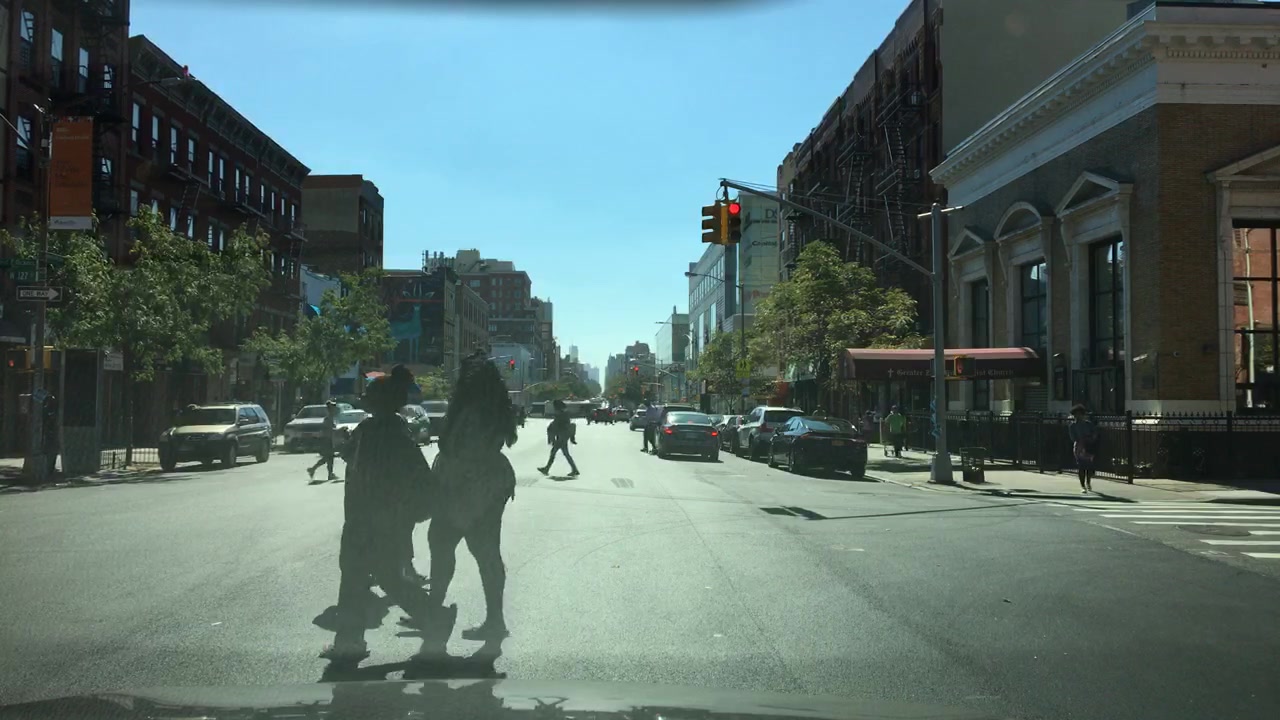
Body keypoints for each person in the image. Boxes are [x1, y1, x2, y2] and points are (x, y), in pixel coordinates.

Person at [321, 365, 450, 665]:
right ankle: (433, 618)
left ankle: (350, 642)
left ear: (380, 401)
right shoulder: (393, 429)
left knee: (359, 577)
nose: (364, 399)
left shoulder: (375, 429)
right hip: (383, 517)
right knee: (382, 577)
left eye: (370, 395)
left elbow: (351, 457)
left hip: (369, 517)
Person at [418, 351, 519, 642]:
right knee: (485, 551)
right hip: (491, 480)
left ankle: (435, 611)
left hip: (463, 482)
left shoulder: (469, 408)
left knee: (443, 542)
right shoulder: (495, 407)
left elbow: (452, 445)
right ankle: (494, 620)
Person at [539, 399, 579, 477]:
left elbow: (557, 424)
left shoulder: (561, 414)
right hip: (563, 436)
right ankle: (574, 469)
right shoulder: (564, 413)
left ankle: (547, 469)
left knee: (555, 452)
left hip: (561, 436)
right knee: (564, 453)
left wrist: (551, 431)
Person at [1069, 404, 1100, 493]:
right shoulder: (1072, 426)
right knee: (1081, 466)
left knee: (1089, 466)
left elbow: (1094, 433)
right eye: (1075, 414)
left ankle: (1088, 482)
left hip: (1089, 446)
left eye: (1079, 414)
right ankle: (1082, 485)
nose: (1078, 416)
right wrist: (1081, 440)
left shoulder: (1088, 424)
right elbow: (1073, 438)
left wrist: (1091, 439)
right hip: (1079, 447)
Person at [308, 401, 340, 482]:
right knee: (328, 457)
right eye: (334, 408)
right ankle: (314, 469)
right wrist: (339, 430)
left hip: (329, 440)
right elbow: (330, 430)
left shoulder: (331, 418)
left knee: (329, 458)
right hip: (326, 440)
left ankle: (328, 473)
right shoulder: (328, 419)